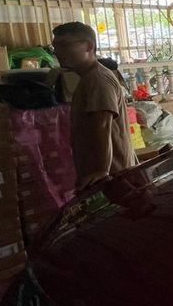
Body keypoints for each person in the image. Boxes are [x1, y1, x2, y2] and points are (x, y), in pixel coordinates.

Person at [52, 22, 138, 190]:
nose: (57, 52)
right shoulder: (87, 78)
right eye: (55, 47)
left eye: (64, 45)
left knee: (134, 212)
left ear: (89, 46)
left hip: (113, 174)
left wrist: (101, 170)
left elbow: (102, 124)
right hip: (105, 174)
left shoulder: (98, 79)